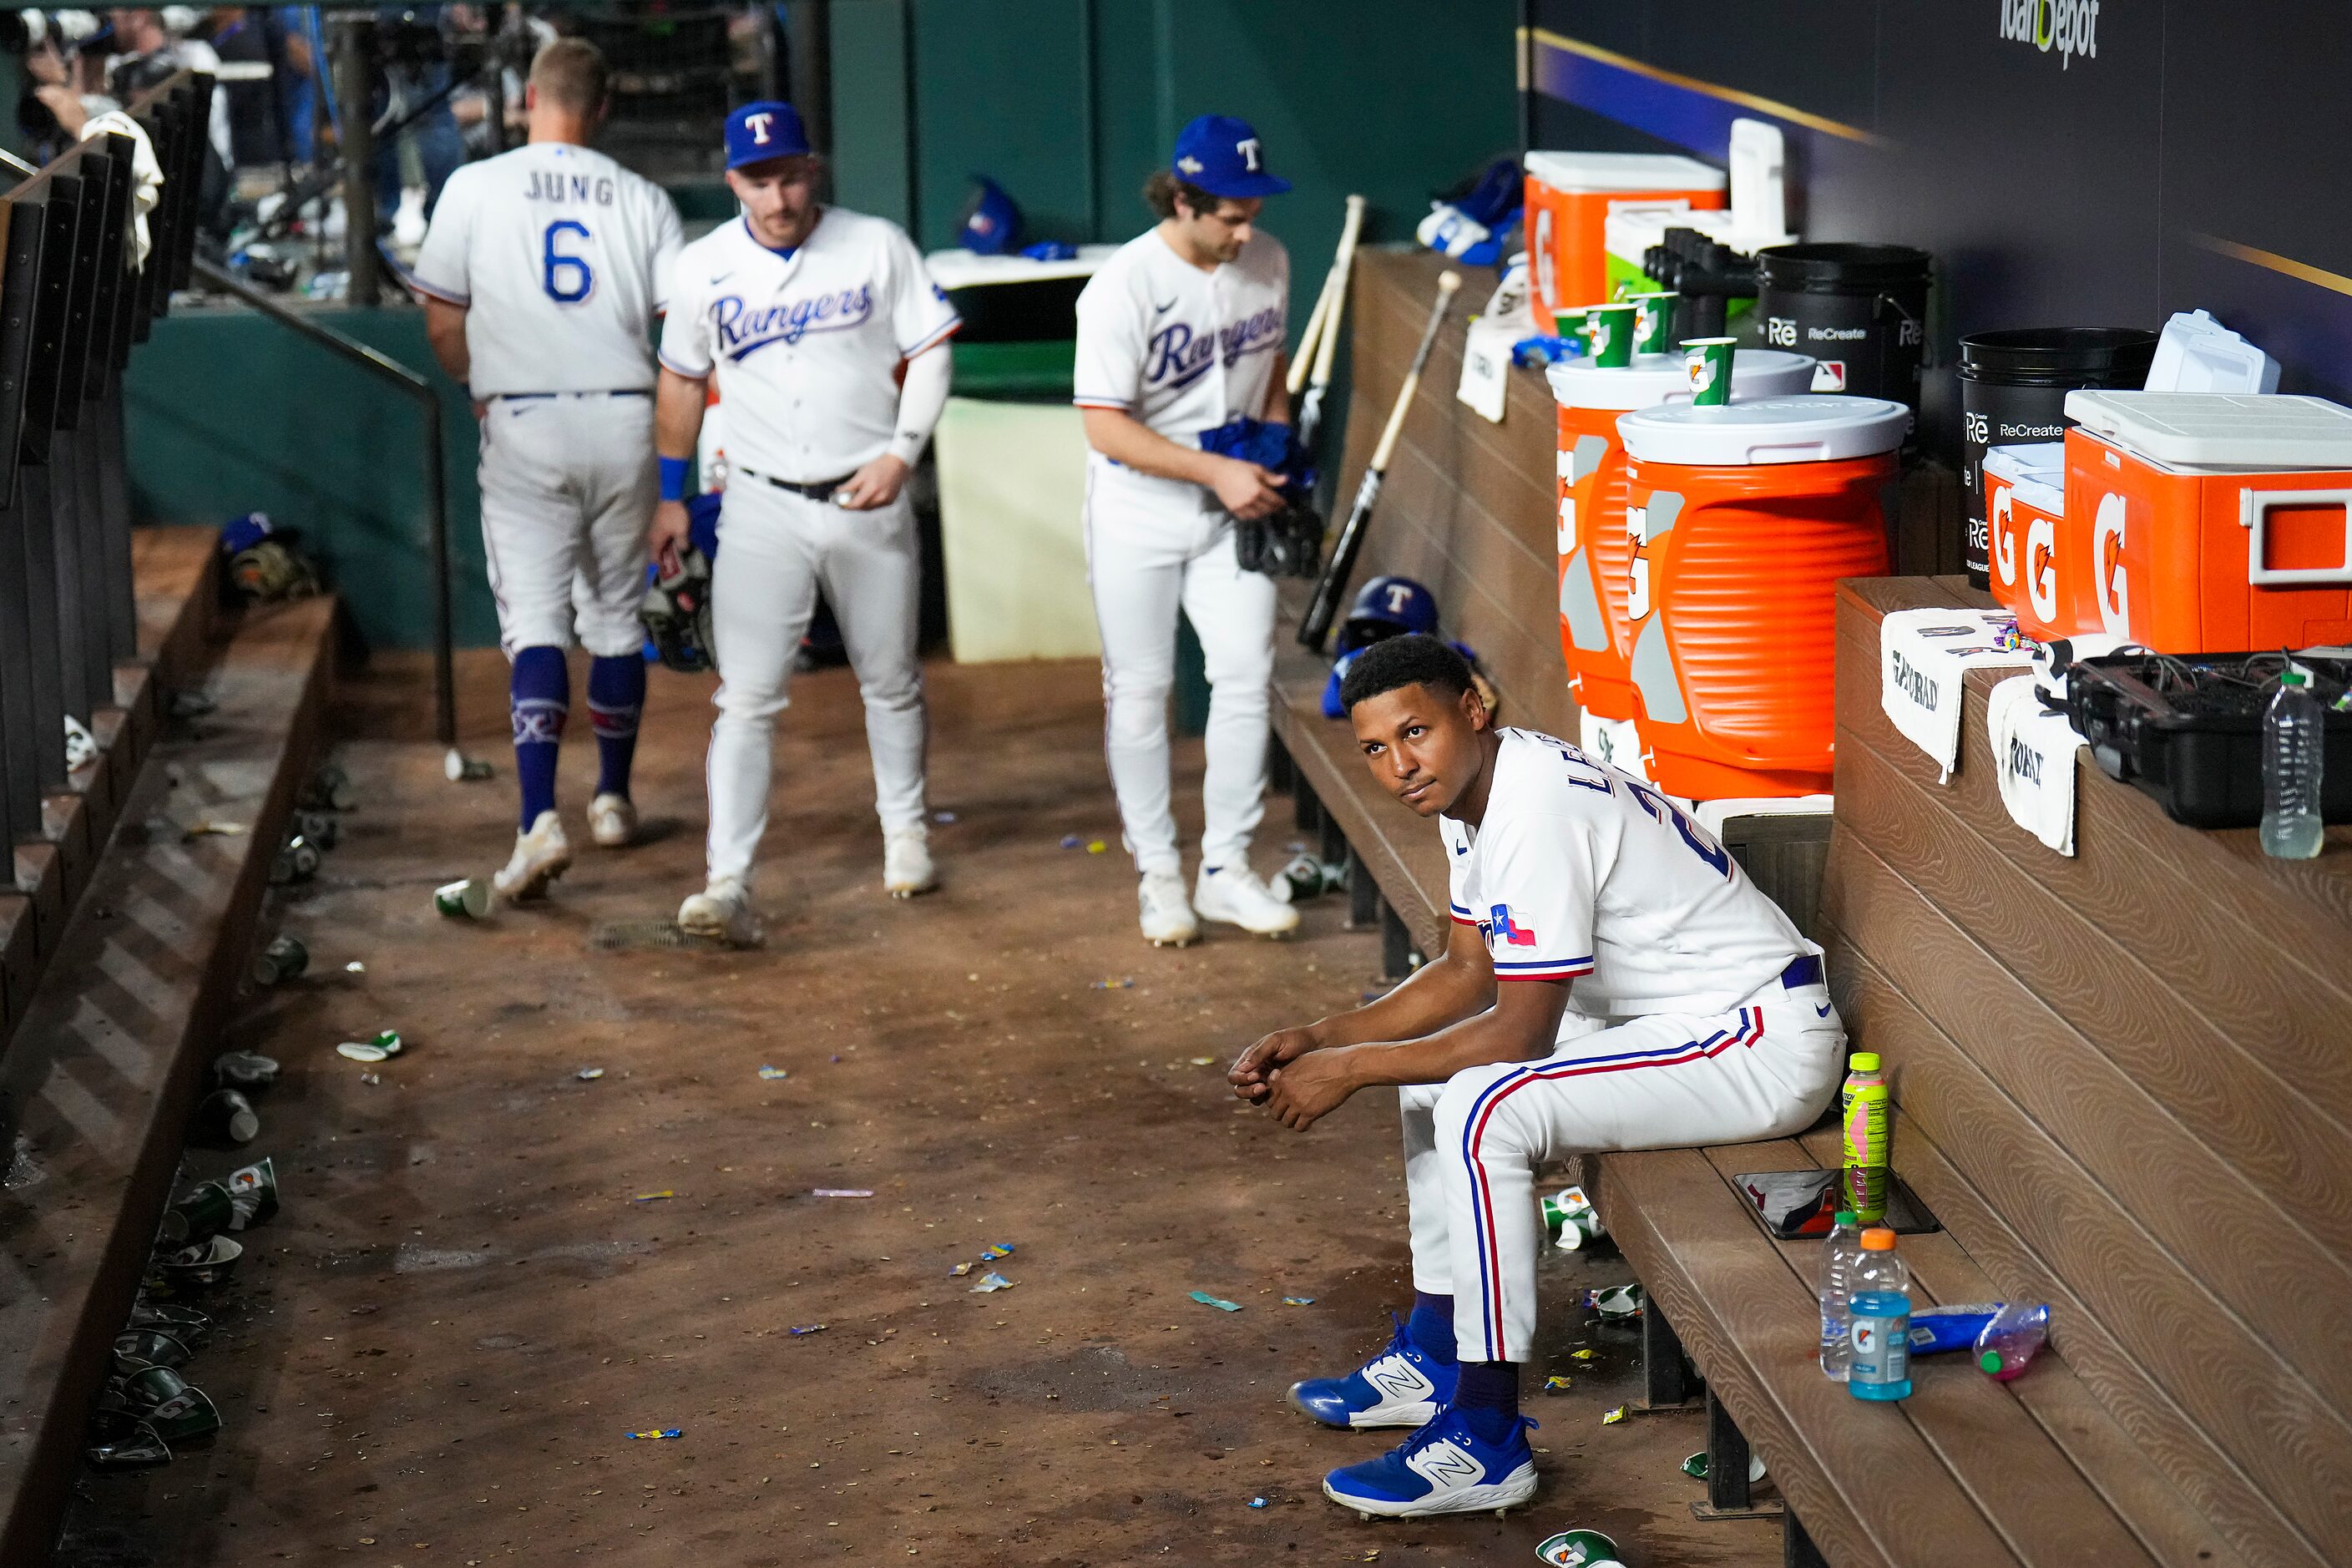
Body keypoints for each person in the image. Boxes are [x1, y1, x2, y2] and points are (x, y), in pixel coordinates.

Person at [1229, 635, 1843, 1518]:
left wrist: (1351, 1066)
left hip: (1755, 1036)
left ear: (1473, 710)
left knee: (1482, 1104)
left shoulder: (1534, 806)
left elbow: (1519, 1031)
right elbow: (1464, 972)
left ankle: (1485, 1439)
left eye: (1417, 732)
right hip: (1670, 1023)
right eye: (1375, 748)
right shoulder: (1478, 791)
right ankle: (1440, 1348)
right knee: (1434, 1082)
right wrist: (1320, 1035)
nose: (1401, 765)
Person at [650, 100, 959, 946]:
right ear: (732, 181)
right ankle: (725, 880)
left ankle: (906, 835)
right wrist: (671, 493)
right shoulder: (703, 265)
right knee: (745, 697)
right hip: (758, 503)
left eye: (788, 174)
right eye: (758, 180)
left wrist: (902, 451)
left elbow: (932, 347)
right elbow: (680, 381)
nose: (777, 195)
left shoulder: (873, 243)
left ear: (811, 168)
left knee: (890, 677)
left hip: (869, 493)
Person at [411, 36, 684, 900]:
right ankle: (611, 798)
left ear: (530, 97)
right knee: (613, 616)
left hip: (525, 417)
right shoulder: (643, 199)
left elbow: (443, 321)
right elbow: (683, 340)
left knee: (537, 620)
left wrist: (475, 388)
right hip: (625, 416)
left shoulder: (473, 185)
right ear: (601, 109)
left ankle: (538, 820)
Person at [1072, 114, 1299, 948]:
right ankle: (1159, 875)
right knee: (1139, 691)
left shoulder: (1269, 260)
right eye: (1229, 215)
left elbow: (1268, 364)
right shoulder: (1122, 287)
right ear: (1180, 199)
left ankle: (1227, 869)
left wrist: (1275, 452)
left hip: (1230, 508)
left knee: (1244, 677)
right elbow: (1104, 426)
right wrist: (1219, 473)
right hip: (1139, 509)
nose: (1247, 230)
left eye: (1253, 211)